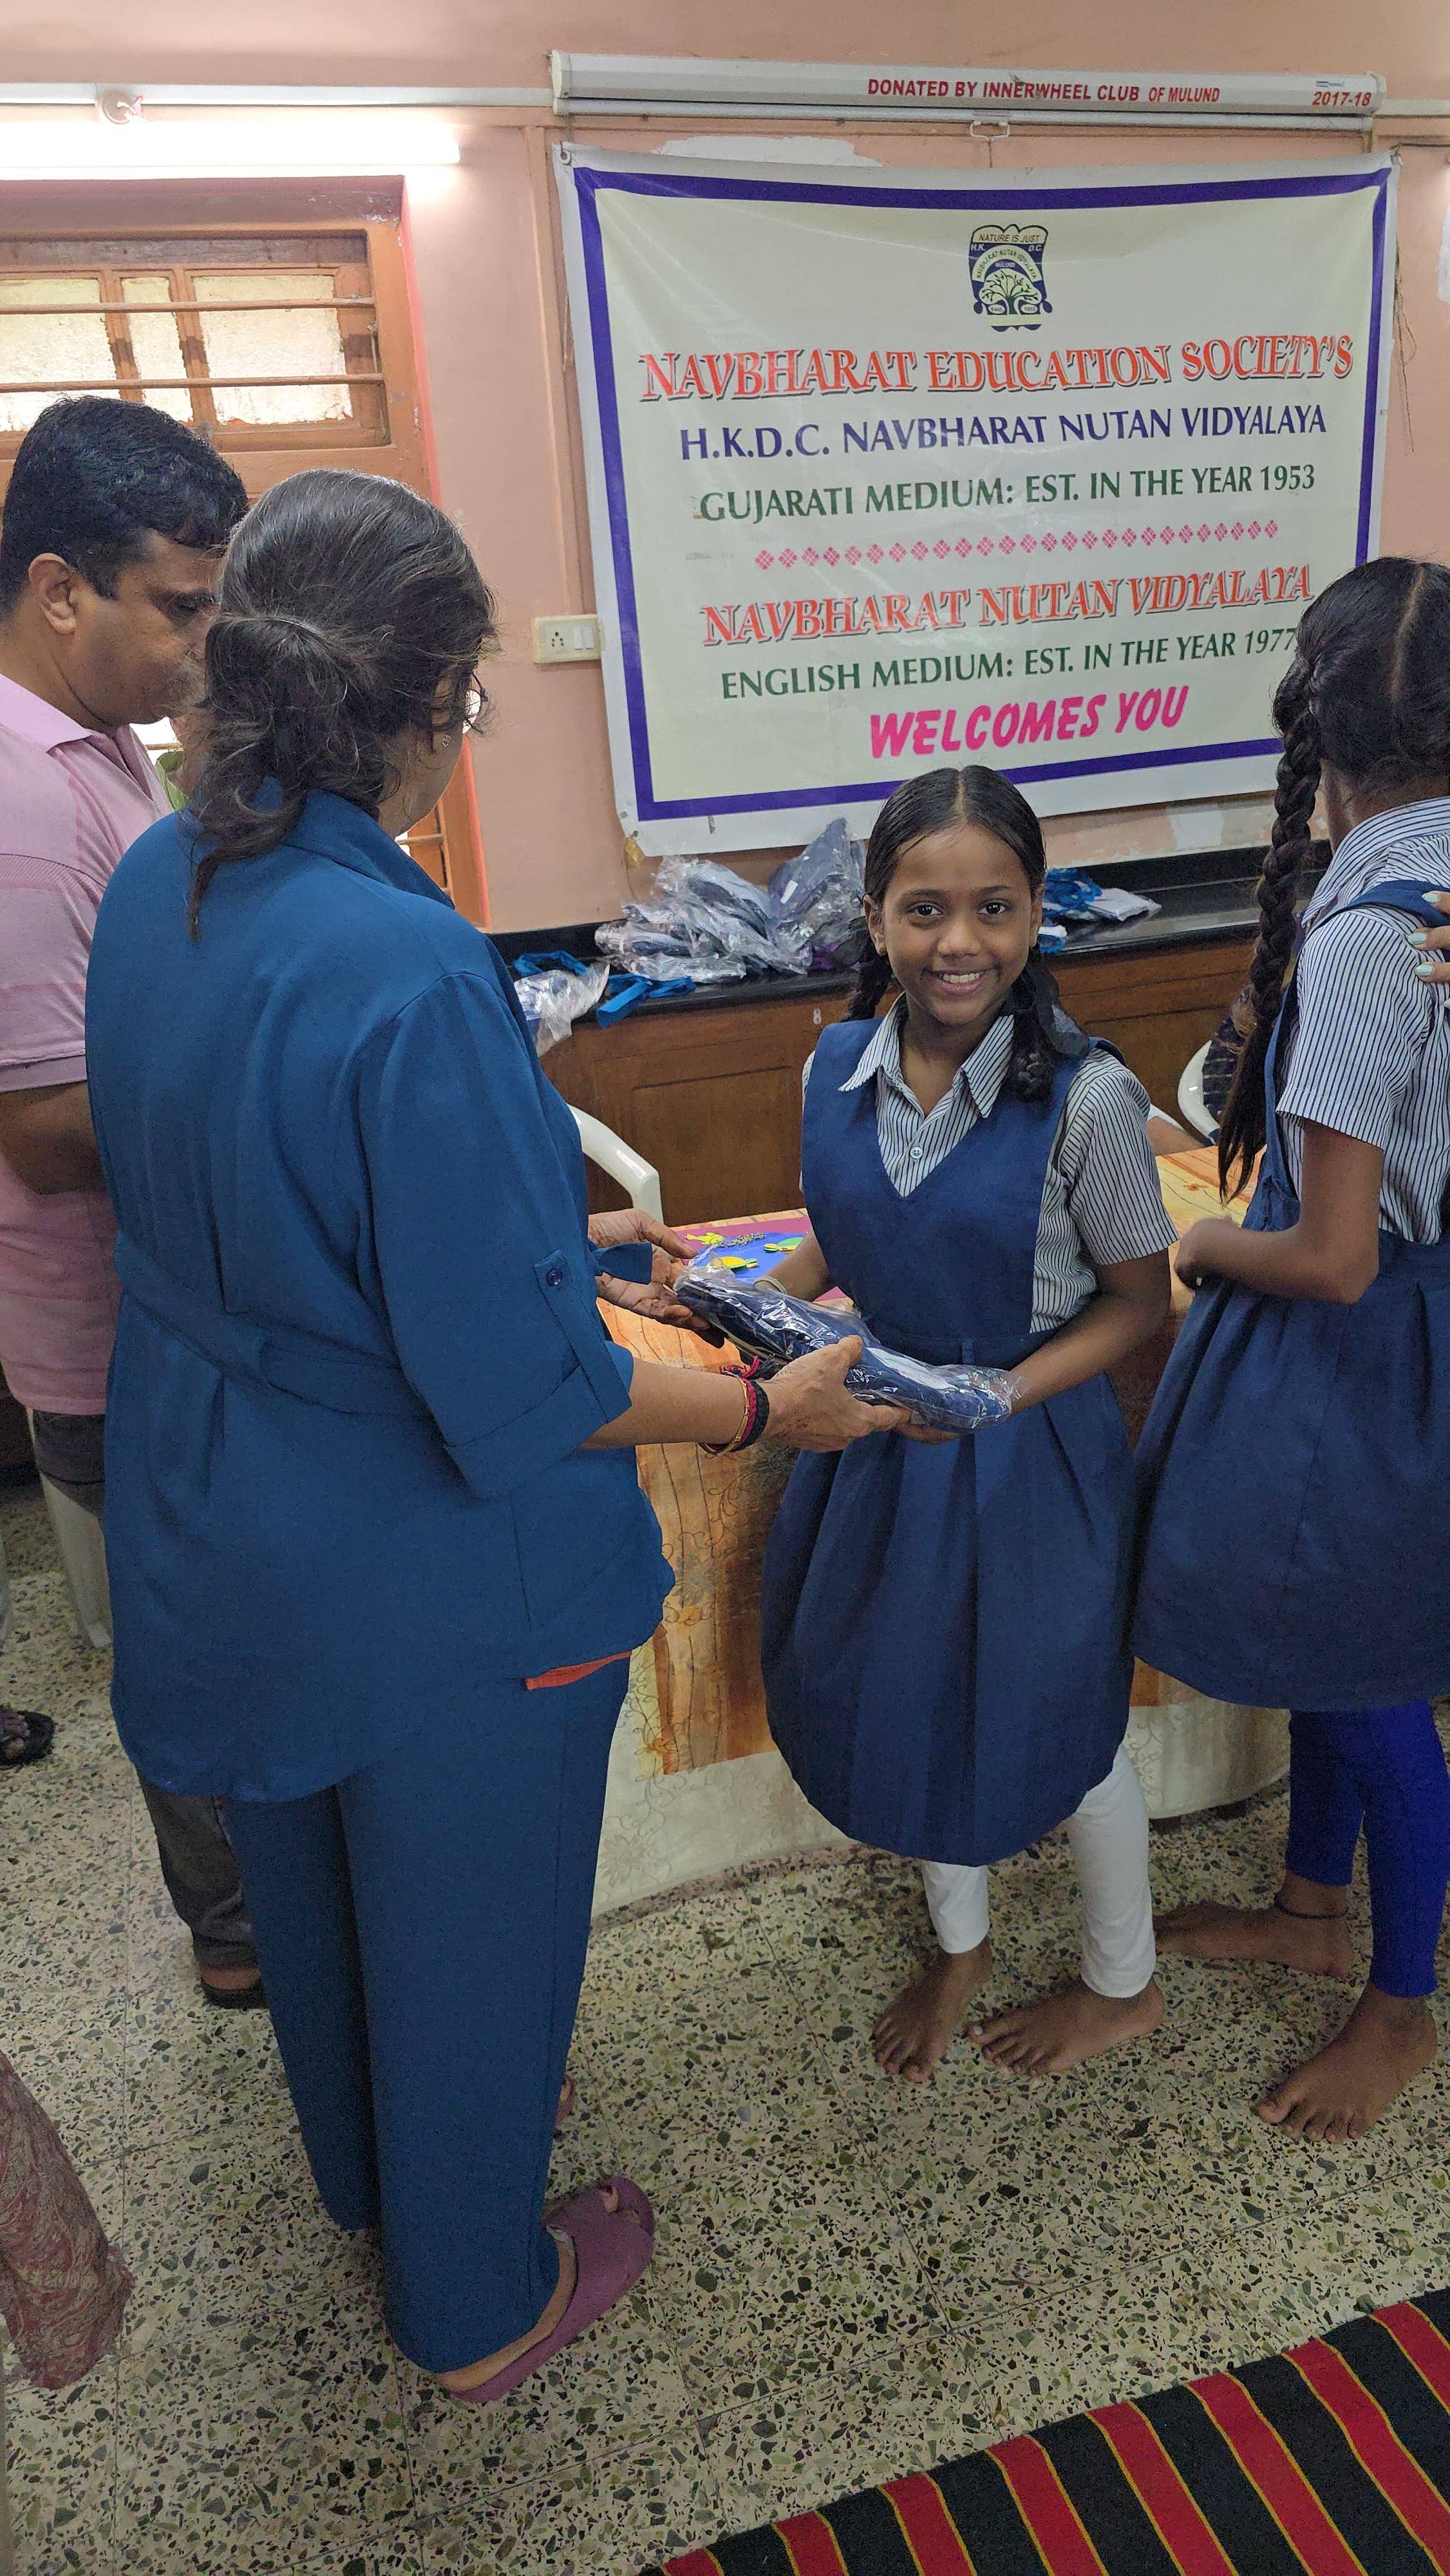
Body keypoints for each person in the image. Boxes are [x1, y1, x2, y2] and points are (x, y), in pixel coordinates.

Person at [82, 466, 894, 2401]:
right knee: (469, 1929)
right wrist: (760, 1404)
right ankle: (475, 2304)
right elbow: (539, 1391)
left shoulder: (159, 882)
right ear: (431, 705)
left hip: (217, 1500)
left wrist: (557, 1234)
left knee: (314, 1889)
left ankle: (371, 2183)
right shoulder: (407, 965)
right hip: (428, 1564)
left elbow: (266, 1199)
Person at [759, 764, 1175, 2083]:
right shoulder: (833, 1066)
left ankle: (1122, 1981)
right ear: (874, 917)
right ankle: (963, 1946)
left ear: (1036, 912)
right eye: (923, 909)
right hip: (881, 1451)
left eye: (993, 907)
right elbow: (847, 1230)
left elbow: (1138, 1303)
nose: (959, 942)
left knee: (1064, 1722)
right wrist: (744, 1297)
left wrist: (1001, 1392)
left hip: (1029, 1459)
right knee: (915, 1698)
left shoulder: (1089, 1099)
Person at [1135, 556, 1450, 2143]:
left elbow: (1328, 1256)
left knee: (1372, 1676)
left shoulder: (1368, 936)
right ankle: (1310, 1906)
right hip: (1407, 1330)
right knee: (1332, 1639)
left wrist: (1197, 1245)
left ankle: (1400, 2001)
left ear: (1312, 732)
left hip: (1367, 1354)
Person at [0, 397, 262, 1994]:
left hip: (164, 1306)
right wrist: (278, 1099)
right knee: (189, 1646)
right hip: (111, 1334)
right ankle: (240, 1941)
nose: (202, 643)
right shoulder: (22, 800)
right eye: (178, 606)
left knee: (211, 1625)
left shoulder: (94, 748)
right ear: (58, 590)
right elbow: (43, 1125)